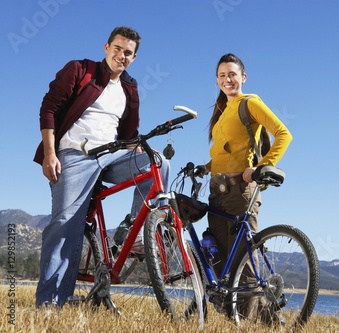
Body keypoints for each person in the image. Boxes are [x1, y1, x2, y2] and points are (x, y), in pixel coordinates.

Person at [33, 26, 169, 307]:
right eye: (117, 49)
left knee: (159, 161)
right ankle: (50, 303)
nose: (122, 55)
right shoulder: (80, 69)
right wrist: (50, 153)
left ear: (134, 58)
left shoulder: (129, 88)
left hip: (112, 155)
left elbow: (130, 135)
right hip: (74, 155)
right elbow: (49, 109)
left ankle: (138, 229)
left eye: (128, 53)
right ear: (106, 47)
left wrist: (141, 149)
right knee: (65, 224)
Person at [198, 53, 292, 322]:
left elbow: (284, 133)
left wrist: (262, 166)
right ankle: (237, 316)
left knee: (244, 261)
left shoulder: (249, 103)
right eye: (222, 75)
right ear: (217, 80)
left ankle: (260, 321)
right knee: (218, 254)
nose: (227, 79)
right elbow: (226, 153)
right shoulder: (222, 111)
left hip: (240, 191)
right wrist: (204, 168)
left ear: (243, 77)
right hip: (217, 193)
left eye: (232, 74)